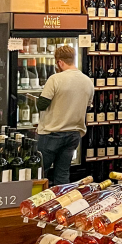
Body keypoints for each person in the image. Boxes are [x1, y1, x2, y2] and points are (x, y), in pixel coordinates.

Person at [36, 44, 94, 186]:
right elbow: (87, 106)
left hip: (51, 133)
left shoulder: (55, 79)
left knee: (40, 174)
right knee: (63, 173)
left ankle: (38, 205)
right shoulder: (87, 81)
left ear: (60, 62)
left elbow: (42, 105)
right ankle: (60, 204)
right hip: (74, 134)